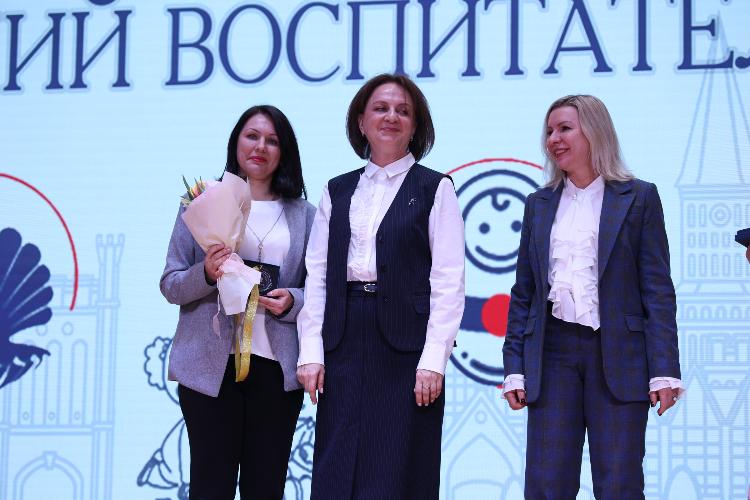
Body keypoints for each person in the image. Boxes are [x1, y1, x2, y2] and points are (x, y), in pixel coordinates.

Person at [502, 95, 684, 499]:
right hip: (552, 355)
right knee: (547, 484)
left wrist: (664, 369)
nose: (553, 139)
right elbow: (524, 292)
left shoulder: (639, 197)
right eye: (549, 131)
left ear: (595, 131)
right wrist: (514, 365)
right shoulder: (538, 204)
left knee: (619, 483)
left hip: (620, 355)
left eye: (565, 128)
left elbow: (657, 291)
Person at [296, 73, 465, 499]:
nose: (392, 117)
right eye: (381, 108)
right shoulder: (337, 190)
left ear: (416, 125)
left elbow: (448, 280)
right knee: (338, 465)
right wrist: (311, 350)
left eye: (403, 111)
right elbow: (318, 275)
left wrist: (433, 360)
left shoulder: (435, 188)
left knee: (397, 467)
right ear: (361, 121)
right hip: (343, 339)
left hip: (406, 348)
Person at [160, 105, 316, 499]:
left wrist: (293, 301)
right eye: (252, 136)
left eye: (272, 140)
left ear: (285, 151)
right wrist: (206, 273)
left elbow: (320, 291)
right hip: (210, 369)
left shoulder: (307, 216)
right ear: (236, 142)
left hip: (276, 370)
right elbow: (171, 284)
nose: (260, 146)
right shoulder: (201, 202)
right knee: (210, 487)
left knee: (265, 488)